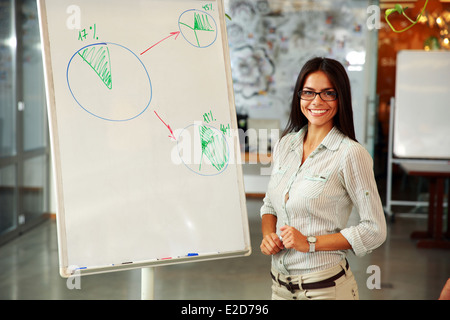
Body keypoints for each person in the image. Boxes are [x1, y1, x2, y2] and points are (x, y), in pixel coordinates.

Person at [260, 57, 387, 300]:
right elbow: (269, 204)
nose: (317, 101)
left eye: (328, 93)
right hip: (279, 287)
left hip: (324, 289)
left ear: (341, 98)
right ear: (299, 96)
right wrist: (268, 235)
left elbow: (375, 230)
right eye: (308, 92)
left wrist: (309, 242)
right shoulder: (285, 145)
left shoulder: (351, 154)